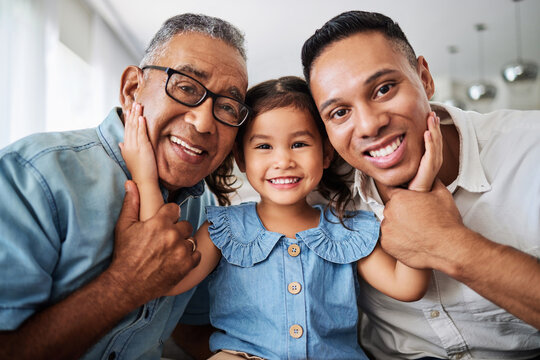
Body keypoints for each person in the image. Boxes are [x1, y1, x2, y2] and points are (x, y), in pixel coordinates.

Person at [121, 76, 443, 359]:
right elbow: (166, 276)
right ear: (241, 158)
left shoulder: (347, 230)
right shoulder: (224, 229)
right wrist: (146, 178)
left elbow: (408, 285)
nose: (283, 160)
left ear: (326, 153)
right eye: (263, 146)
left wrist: (419, 192)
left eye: (299, 143)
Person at [0, 13, 248, 360]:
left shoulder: (206, 209)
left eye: (227, 106)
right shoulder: (31, 175)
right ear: (132, 89)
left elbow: (191, 328)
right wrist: (125, 284)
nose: (204, 122)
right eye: (187, 87)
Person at [301, 10, 540, 360]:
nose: (368, 125)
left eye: (383, 89)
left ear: (425, 78)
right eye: (339, 112)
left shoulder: (530, 148)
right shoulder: (320, 197)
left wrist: (449, 244)